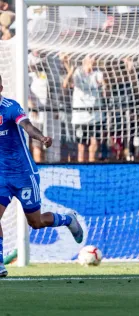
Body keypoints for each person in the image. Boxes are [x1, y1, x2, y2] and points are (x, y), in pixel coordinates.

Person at [0, 76, 83, 277]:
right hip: (1, 176)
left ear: (1, 87)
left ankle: (67, 219)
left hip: (24, 174)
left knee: (35, 222)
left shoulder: (10, 107)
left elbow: (27, 125)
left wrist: (41, 137)